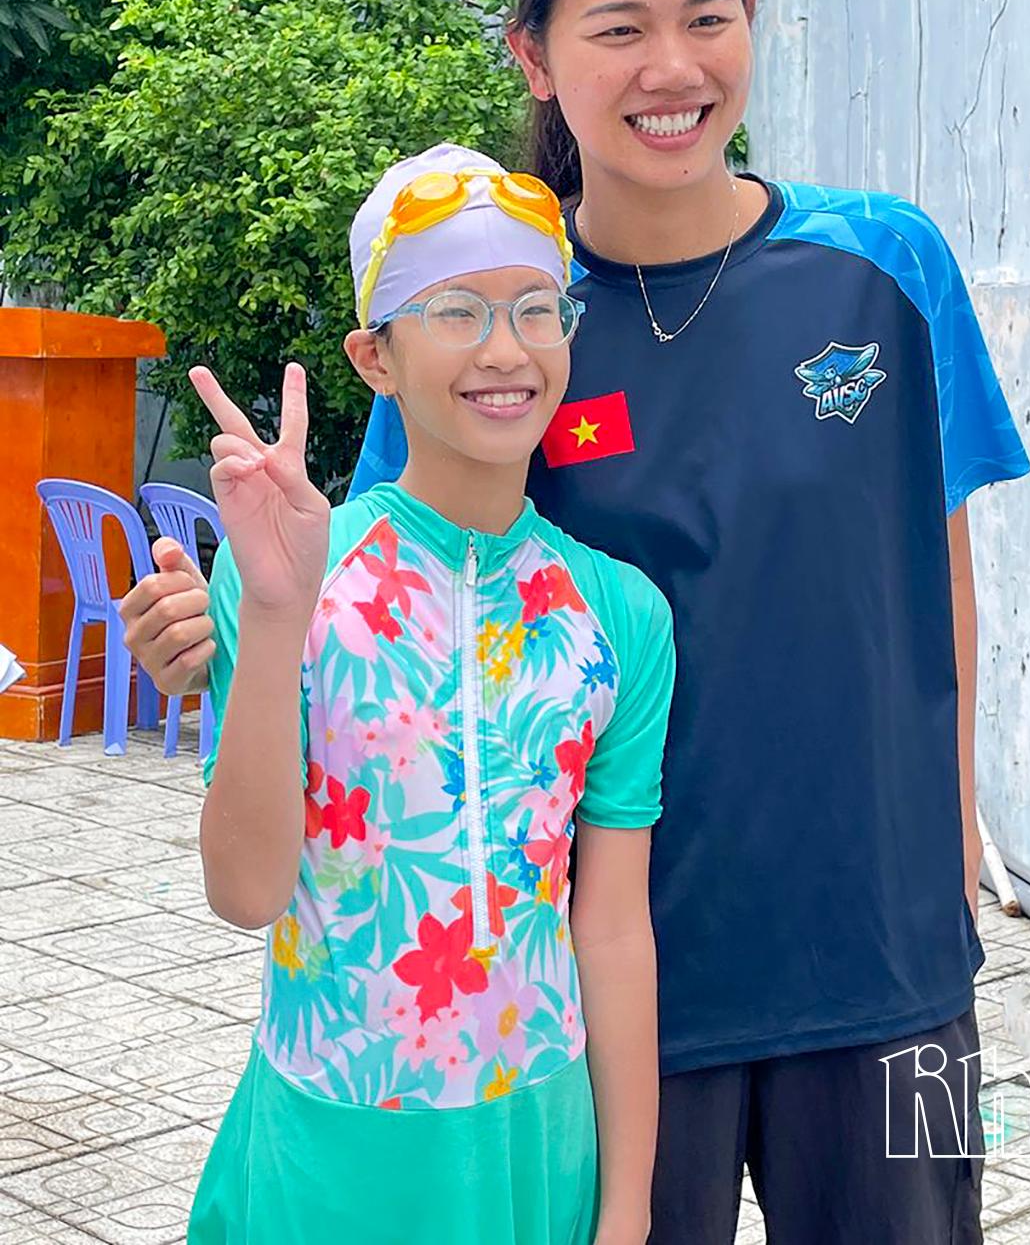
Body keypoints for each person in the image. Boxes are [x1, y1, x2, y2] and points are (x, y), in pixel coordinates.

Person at [124, 0, 1030, 1245]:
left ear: (750, 20)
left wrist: (953, 832)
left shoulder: (887, 264)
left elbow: (938, 572)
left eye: (707, 16)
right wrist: (224, 637)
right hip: (615, 984)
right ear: (536, 57)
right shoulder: (510, 324)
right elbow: (385, 594)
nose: (673, 67)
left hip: (886, 957)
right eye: (619, 28)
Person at [181, 148, 674, 1245]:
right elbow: (247, 891)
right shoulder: (291, 574)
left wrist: (629, 1206)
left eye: (537, 309)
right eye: (456, 311)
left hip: (536, 1149)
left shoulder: (621, 613)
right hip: (326, 1147)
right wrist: (275, 613)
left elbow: (611, 926)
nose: (505, 350)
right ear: (376, 357)